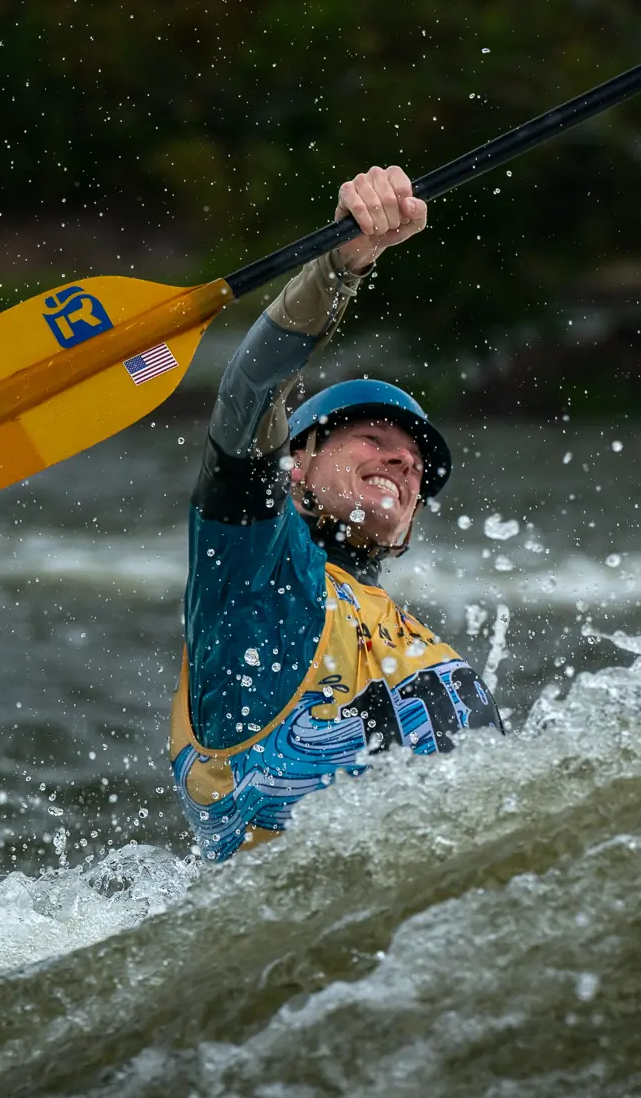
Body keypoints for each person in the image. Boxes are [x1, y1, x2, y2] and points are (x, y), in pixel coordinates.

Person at [169, 166, 503, 862]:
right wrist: (338, 265)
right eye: (371, 439)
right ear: (297, 469)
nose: (403, 463)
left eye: (413, 462)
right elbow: (249, 393)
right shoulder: (259, 579)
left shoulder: (436, 655)